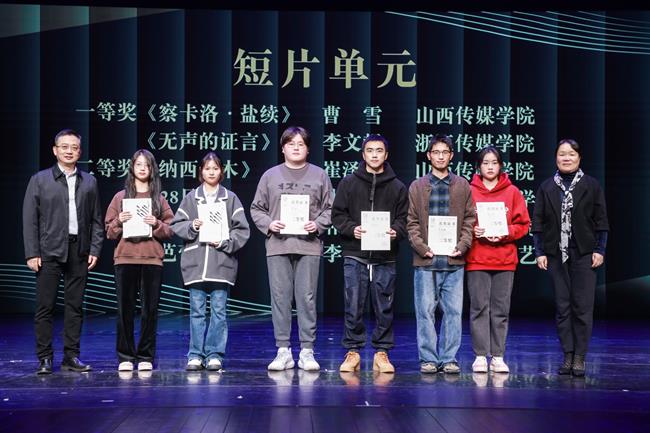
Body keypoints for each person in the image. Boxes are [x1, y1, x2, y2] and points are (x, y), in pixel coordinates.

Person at [250, 126, 333, 372]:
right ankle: (283, 350)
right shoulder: (270, 176)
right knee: (280, 297)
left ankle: (307, 350)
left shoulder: (319, 175)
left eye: (301, 144)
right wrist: (269, 223)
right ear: (283, 147)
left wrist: (317, 224)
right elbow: (256, 208)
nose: (296, 148)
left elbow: (331, 208)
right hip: (278, 245)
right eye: (291, 143)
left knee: (307, 298)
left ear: (308, 148)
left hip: (308, 245)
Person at [23, 129, 104, 375]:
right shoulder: (40, 180)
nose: (70, 151)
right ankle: (45, 358)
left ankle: (71, 356)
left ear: (80, 151)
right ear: (55, 150)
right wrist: (32, 253)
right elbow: (30, 220)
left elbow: (96, 220)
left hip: (79, 250)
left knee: (75, 307)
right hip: (49, 250)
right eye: (65, 147)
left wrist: (94, 248)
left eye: (74, 147)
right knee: (45, 307)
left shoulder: (89, 181)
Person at [532, 139, 609, 377]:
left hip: (584, 253)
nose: (566, 158)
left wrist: (600, 249)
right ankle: (567, 354)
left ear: (579, 157)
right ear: (556, 158)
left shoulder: (591, 185)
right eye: (562, 154)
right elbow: (538, 223)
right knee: (563, 307)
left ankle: (579, 357)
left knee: (582, 307)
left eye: (571, 154)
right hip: (556, 254)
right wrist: (539, 252)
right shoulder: (547, 187)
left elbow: (602, 221)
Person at [332, 134, 408, 374]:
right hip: (355, 253)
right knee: (353, 304)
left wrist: (395, 231)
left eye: (379, 151)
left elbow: (405, 219)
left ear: (386, 155)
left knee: (384, 305)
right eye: (370, 150)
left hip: (386, 255)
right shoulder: (348, 183)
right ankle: (353, 351)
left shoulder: (398, 187)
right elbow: (338, 215)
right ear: (363, 154)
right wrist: (351, 229)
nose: (374, 155)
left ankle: (382, 352)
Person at [171, 152, 250, 371]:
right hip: (196, 264)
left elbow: (242, 230)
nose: (211, 172)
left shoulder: (230, 198)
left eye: (215, 168)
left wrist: (225, 242)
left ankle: (215, 354)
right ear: (201, 172)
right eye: (207, 168)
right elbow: (176, 224)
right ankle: (195, 354)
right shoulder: (191, 198)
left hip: (221, 263)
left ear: (221, 171)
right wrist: (192, 226)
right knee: (196, 311)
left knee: (219, 311)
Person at [407, 134, 475, 374]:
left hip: (454, 259)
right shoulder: (417, 186)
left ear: (451, 155)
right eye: (435, 152)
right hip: (426, 260)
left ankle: (449, 358)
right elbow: (411, 222)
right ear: (428, 156)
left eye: (445, 152)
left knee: (453, 312)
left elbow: (470, 219)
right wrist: (422, 247)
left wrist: (463, 245)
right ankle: (428, 358)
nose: (440, 156)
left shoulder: (462, 185)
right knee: (425, 312)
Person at [104, 149, 174, 372]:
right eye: (139, 164)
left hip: (152, 260)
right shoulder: (120, 197)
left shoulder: (159, 199)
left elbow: (171, 229)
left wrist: (156, 224)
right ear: (132, 168)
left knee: (149, 311)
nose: (143, 168)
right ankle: (125, 356)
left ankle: (145, 356)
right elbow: (109, 231)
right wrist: (119, 220)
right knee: (124, 310)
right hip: (125, 258)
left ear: (152, 169)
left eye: (147, 165)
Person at [465, 146, 530, 374]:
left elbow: (523, 225)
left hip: (504, 259)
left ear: (500, 165)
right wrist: (474, 230)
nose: (490, 167)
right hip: (477, 258)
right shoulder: (469, 191)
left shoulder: (512, 192)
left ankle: (498, 356)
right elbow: (462, 222)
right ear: (479, 166)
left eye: (494, 162)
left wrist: (505, 232)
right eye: (485, 163)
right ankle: (480, 355)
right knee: (479, 308)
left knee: (501, 309)